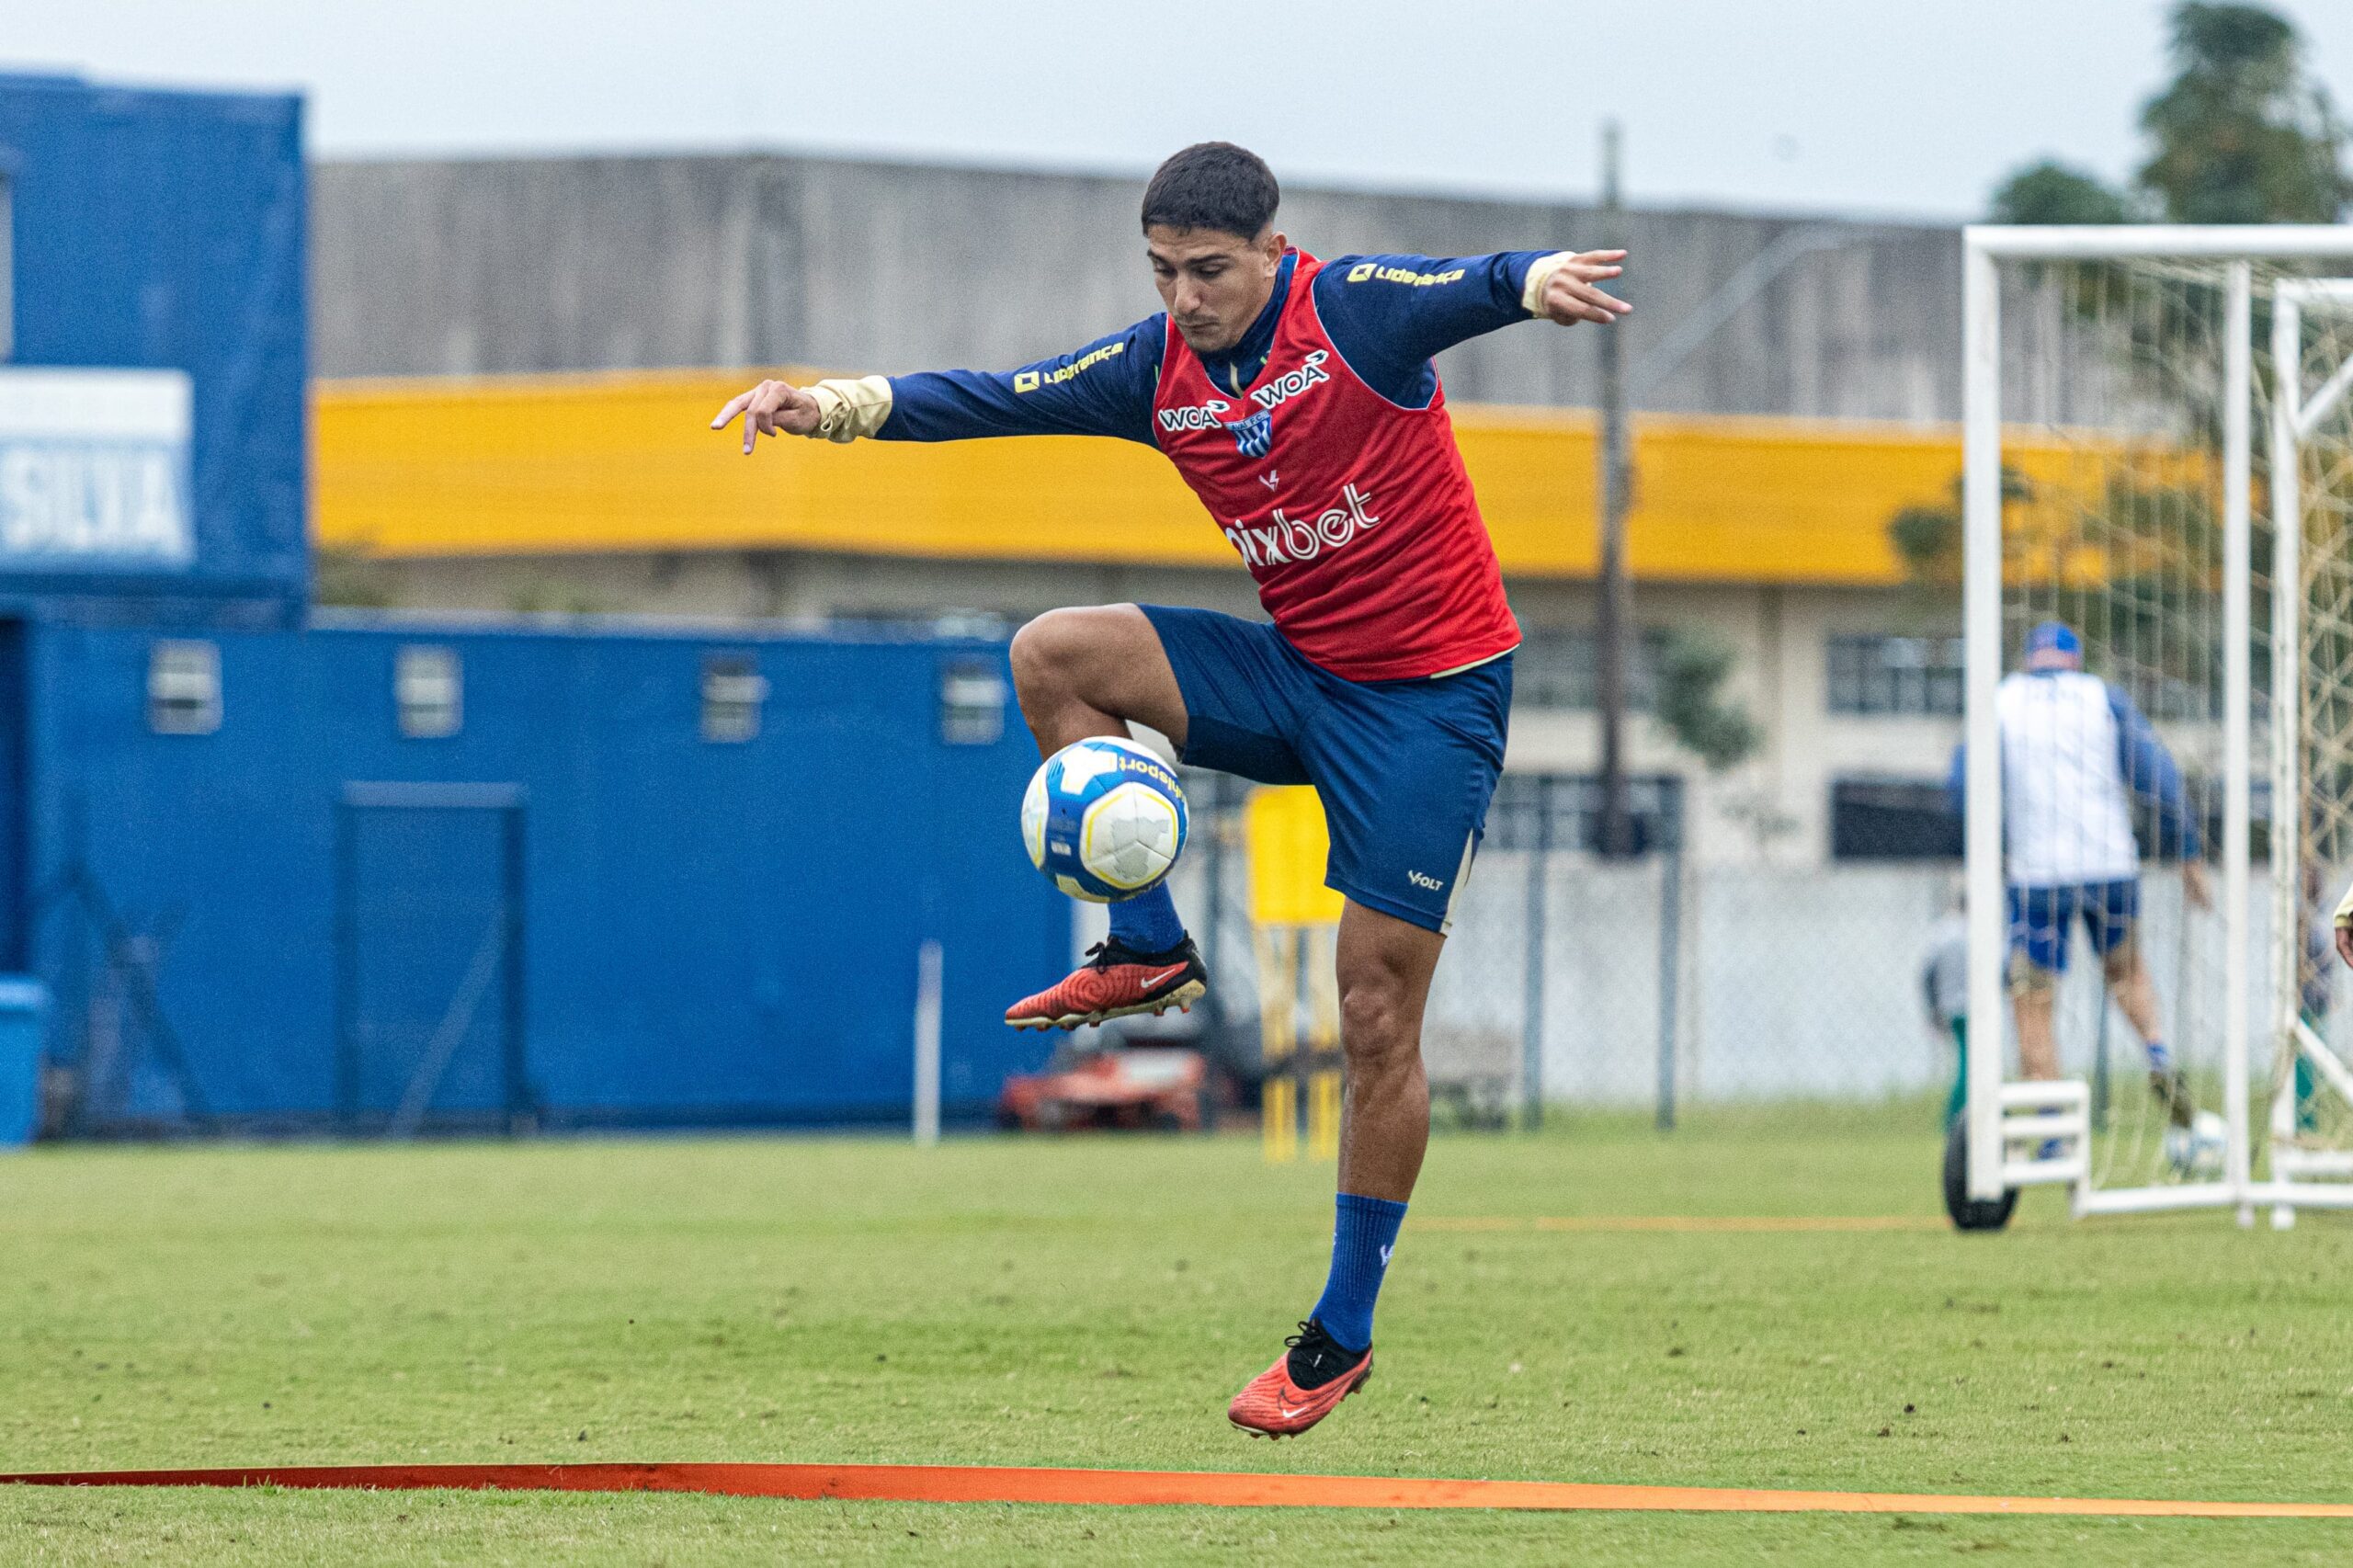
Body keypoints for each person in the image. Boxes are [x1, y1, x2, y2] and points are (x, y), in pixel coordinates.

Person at [711, 142, 1628, 1437]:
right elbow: (994, 395)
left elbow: (1463, 287)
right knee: (1053, 654)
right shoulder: (1157, 367)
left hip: (1431, 704)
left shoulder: (1352, 309)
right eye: (1161, 271)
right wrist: (834, 406)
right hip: (1301, 674)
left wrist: (1535, 280)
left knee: (1372, 1017)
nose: (1184, 296)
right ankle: (1150, 947)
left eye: (1208, 270)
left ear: (1271, 251)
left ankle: (1338, 1334)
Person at [1949, 621, 2210, 1127]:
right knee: (2127, 971)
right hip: (2112, 869)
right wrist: (2188, 854)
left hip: (2037, 876)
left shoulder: (2002, 702)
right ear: (2075, 659)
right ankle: (2156, 1051)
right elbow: (2156, 776)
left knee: (2033, 997)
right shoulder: (2102, 698)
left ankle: (2049, 1123)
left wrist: (1991, 847)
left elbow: (1962, 784)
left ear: (2030, 659)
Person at [1919, 884, 1969, 1127]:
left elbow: (1926, 974)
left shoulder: (1941, 932)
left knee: (1965, 1058)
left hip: (1949, 1006)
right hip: (1973, 1008)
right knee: (1968, 1062)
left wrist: (1933, 1009)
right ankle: (1956, 1116)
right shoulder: (1978, 930)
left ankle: (1962, 1113)